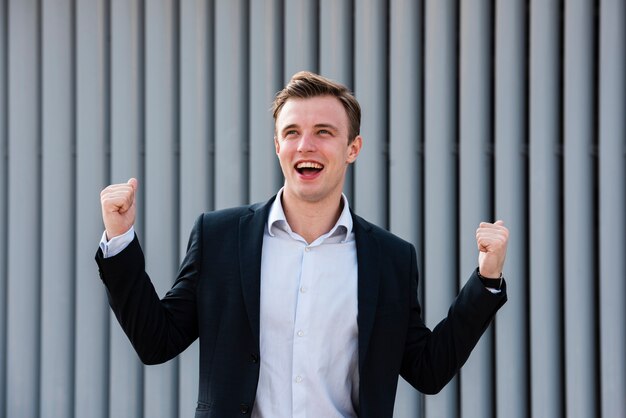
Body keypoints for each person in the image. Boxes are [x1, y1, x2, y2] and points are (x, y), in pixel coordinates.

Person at [96, 71, 508, 418]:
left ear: (353, 148)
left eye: (323, 133)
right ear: (278, 146)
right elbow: (157, 342)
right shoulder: (220, 237)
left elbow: (427, 370)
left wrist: (486, 280)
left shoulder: (391, 258)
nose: (305, 145)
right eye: (291, 132)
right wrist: (120, 239)